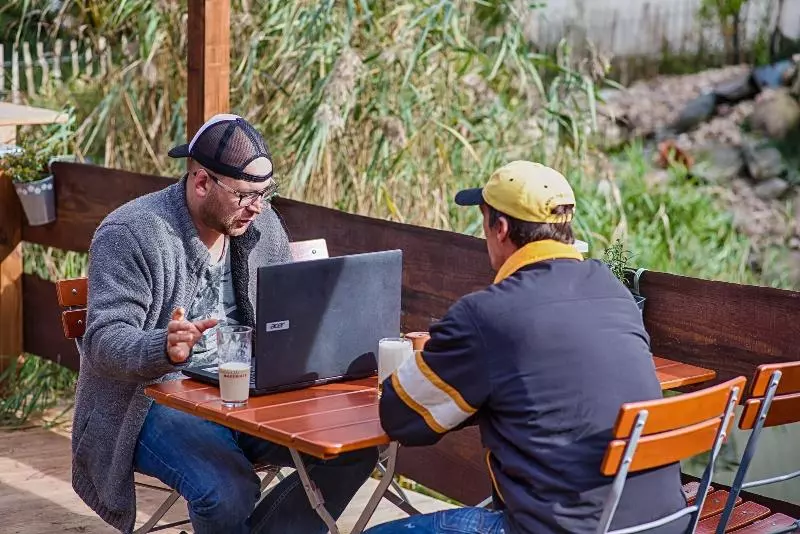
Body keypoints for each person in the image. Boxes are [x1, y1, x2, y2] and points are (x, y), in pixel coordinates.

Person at [71, 114, 378, 534]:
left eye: (266, 194)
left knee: (352, 450)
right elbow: (104, 341)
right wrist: (163, 347)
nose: (258, 208)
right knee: (227, 491)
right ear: (201, 183)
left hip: (247, 389)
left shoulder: (260, 224)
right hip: (151, 400)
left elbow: (282, 317)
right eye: (246, 195)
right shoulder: (132, 233)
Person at [367, 161, 689, 534]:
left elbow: (401, 416)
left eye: (484, 220)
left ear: (500, 229)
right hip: (665, 524)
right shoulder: (613, 290)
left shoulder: (486, 313)